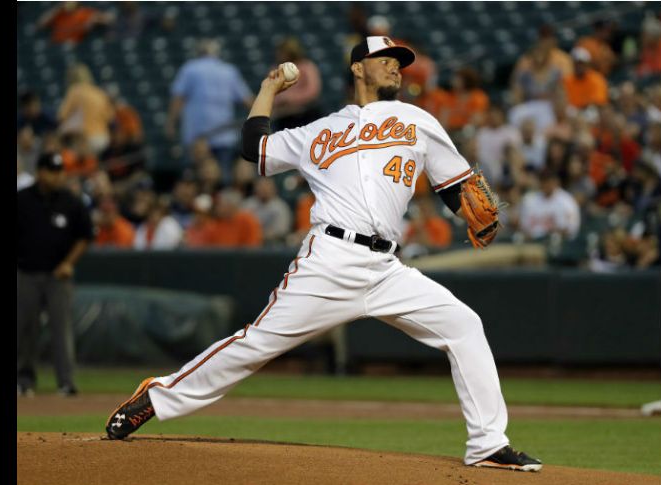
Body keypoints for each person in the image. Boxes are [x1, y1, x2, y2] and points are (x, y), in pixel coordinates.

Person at [104, 36, 542, 472]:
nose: (396, 66)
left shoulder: (417, 120)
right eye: (385, 59)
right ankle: (157, 396)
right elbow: (254, 150)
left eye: (399, 61)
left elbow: (455, 186)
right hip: (329, 259)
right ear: (357, 68)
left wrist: (472, 212)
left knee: (463, 325)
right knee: (255, 345)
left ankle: (487, 443)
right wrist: (268, 91)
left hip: (387, 269)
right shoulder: (320, 129)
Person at [17, 152, 94, 397]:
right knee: (23, 329)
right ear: (40, 171)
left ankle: (66, 382)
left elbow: (85, 235)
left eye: (60, 170)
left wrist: (69, 262)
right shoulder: (22, 200)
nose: (58, 175)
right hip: (26, 273)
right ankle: (23, 381)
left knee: (61, 330)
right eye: (53, 170)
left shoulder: (70, 201)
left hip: (57, 276)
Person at [165, 38, 254, 182]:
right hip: (223, 136)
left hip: (197, 137)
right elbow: (248, 100)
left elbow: (178, 99)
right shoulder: (228, 70)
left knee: (195, 180)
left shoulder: (190, 68)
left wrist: (170, 123)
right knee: (223, 180)